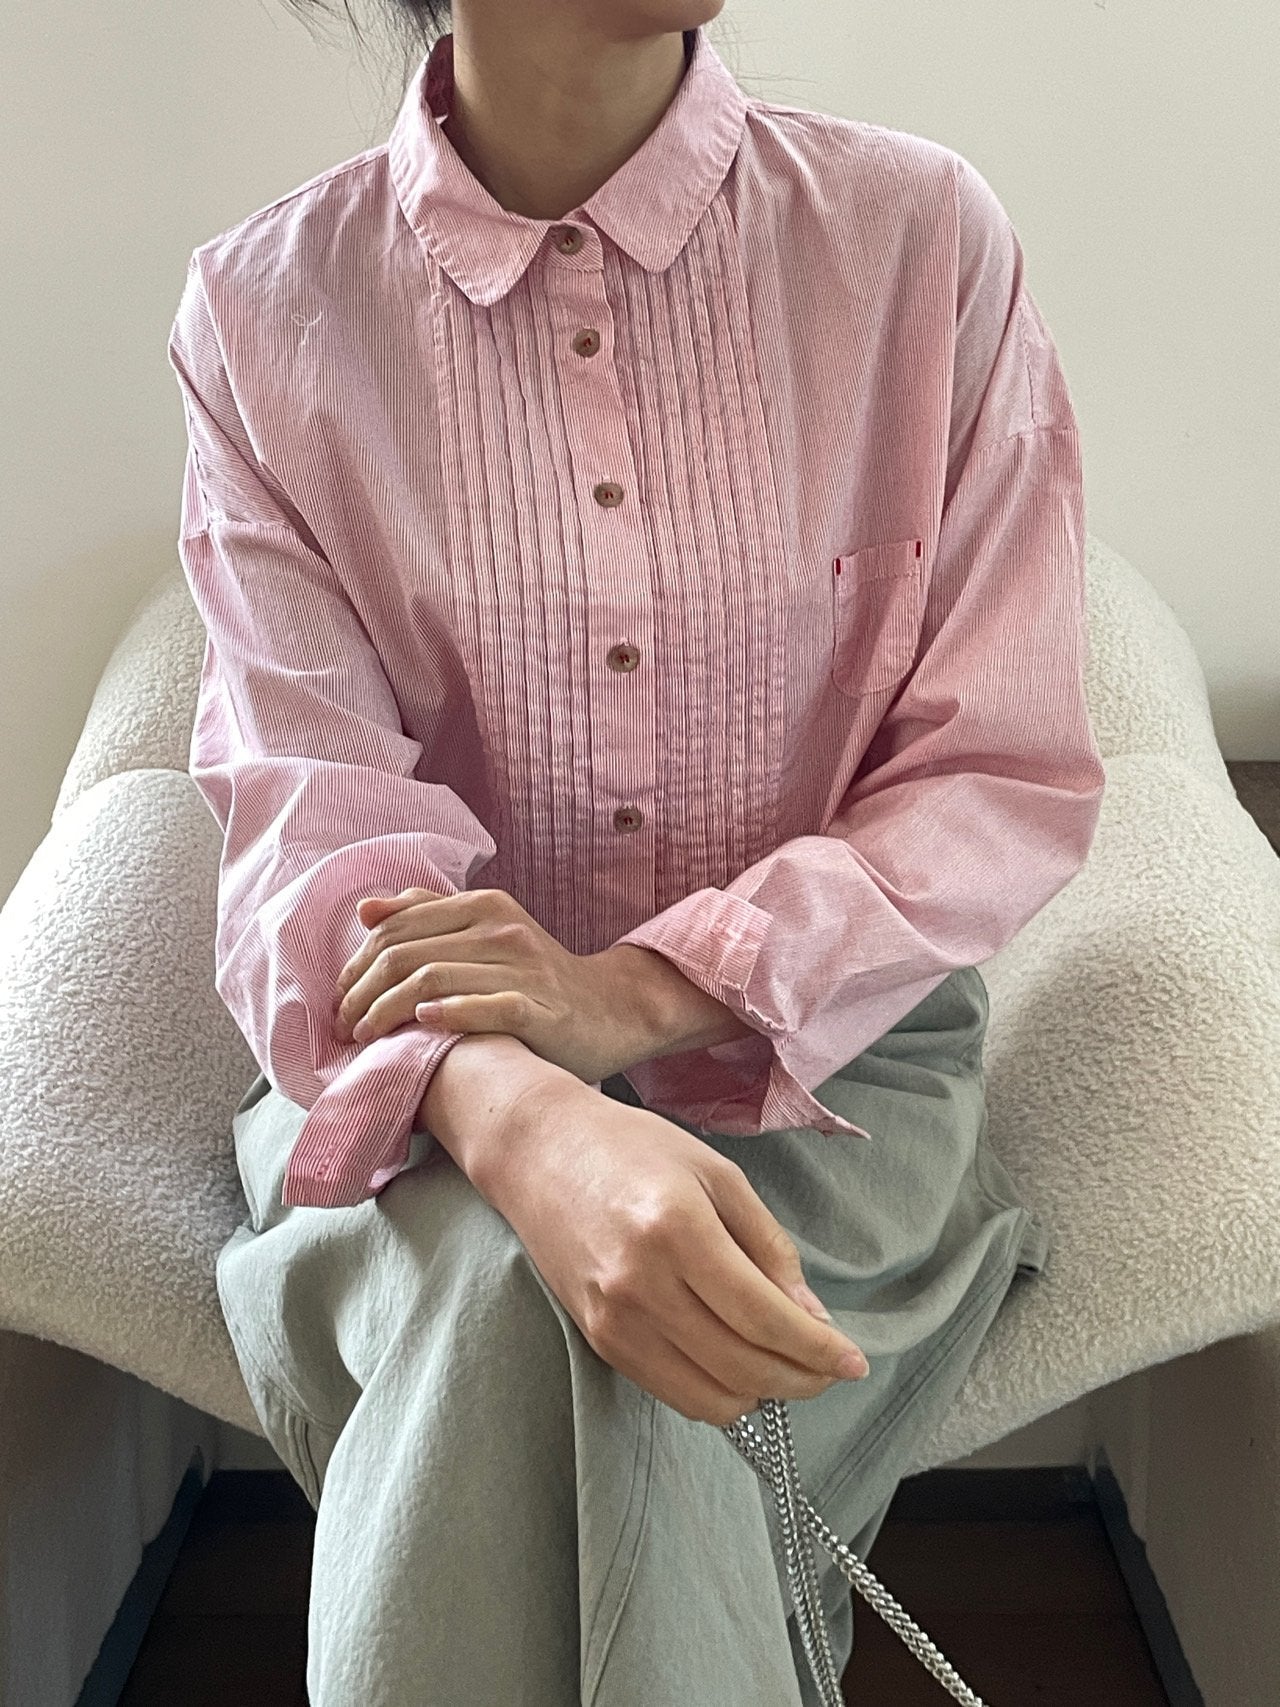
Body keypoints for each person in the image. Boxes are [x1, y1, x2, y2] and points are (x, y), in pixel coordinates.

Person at [166, 0, 1104, 1700]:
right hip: (405, 1082)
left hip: (826, 1073)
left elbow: (997, 770)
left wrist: (641, 993)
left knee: (597, 1357)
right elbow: (310, 826)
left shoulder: (918, 244)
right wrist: (524, 1114)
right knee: (546, 1322)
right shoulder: (265, 312)